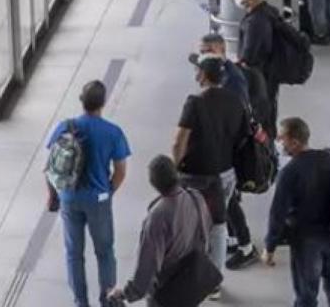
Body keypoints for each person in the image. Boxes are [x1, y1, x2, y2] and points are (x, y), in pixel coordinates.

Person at [46, 81, 131, 307]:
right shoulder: (113, 132)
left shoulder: (65, 126)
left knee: (74, 253)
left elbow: (51, 165)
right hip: (98, 199)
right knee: (104, 252)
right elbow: (121, 172)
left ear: (81, 100)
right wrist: (108, 191)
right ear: (103, 103)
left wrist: (53, 194)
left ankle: (80, 302)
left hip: (69, 197)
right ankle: (109, 300)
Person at [173, 55, 249, 294]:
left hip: (196, 175)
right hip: (225, 174)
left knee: (193, 226)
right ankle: (214, 282)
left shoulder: (195, 102)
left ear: (204, 75)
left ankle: (193, 275)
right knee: (218, 225)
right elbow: (242, 138)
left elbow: (179, 142)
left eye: (198, 71)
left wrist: (175, 168)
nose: (196, 74)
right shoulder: (236, 101)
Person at [191, 34, 267, 271]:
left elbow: (237, 116)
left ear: (220, 50)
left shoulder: (232, 80)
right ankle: (236, 239)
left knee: (228, 199)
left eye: (207, 50)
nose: (202, 55)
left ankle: (244, 245)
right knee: (227, 198)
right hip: (225, 149)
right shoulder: (223, 73)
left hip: (229, 152)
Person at [262, 117, 330, 307]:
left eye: (282, 137)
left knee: (306, 293)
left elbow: (278, 212)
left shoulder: (290, 172)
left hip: (306, 240)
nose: (278, 141)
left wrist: (270, 247)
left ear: (294, 142)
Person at [106, 155, 213, 305]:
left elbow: (147, 266)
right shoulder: (195, 197)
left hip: (167, 289)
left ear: (153, 184)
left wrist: (126, 293)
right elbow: (206, 234)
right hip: (192, 281)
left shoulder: (158, 216)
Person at [237, 0, 282, 130]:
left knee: (261, 114)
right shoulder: (269, 11)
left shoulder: (255, 21)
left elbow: (249, 54)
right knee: (269, 107)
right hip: (270, 70)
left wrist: (240, 64)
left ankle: (266, 145)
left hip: (259, 74)